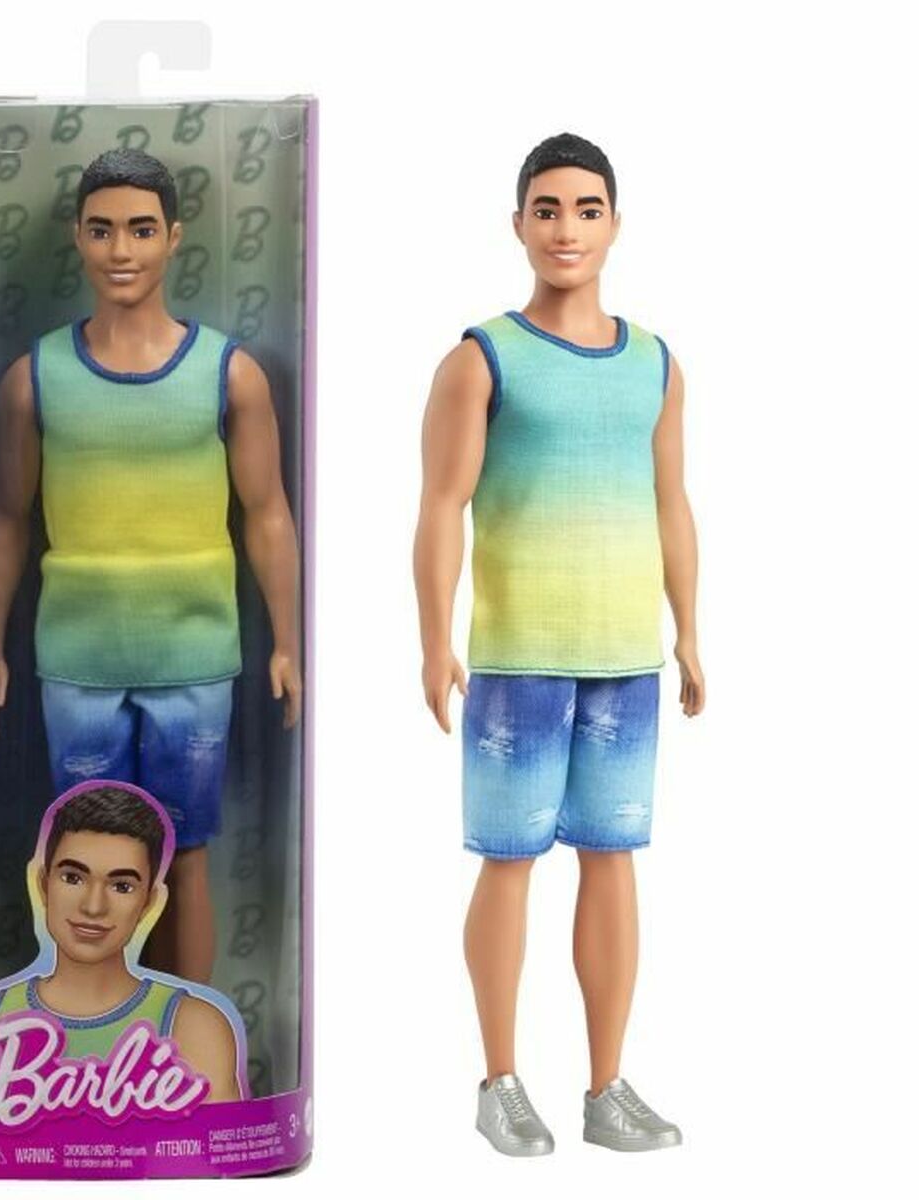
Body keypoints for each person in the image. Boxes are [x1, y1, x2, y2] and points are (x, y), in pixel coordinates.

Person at [414, 132, 705, 1155]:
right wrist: (434, 641)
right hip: (520, 659)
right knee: (509, 862)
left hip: (625, 657)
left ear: (615, 224)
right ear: (518, 224)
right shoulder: (482, 358)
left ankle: (606, 1084)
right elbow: (441, 505)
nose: (566, 228)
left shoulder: (655, 363)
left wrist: (689, 630)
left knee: (613, 859)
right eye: (547, 208)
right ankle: (498, 1078)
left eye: (586, 209)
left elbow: (672, 502)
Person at [0, 149, 301, 983]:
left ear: (174, 237)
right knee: (84, 860)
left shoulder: (229, 374)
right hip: (76, 660)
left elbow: (268, 512)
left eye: (141, 229)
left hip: (195, 658)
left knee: (182, 853)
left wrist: (288, 642)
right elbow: (6, 517)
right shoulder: (34, 380)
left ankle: (190, 1031)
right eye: (102, 230)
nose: (121, 250)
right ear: (77, 238)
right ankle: (95, 1034)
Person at [0, 783, 243, 1106]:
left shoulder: (194, 1029)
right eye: (73, 878)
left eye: (121, 886)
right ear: (44, 885)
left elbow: (216, 1137)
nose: (93, 906)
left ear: (148, 901)